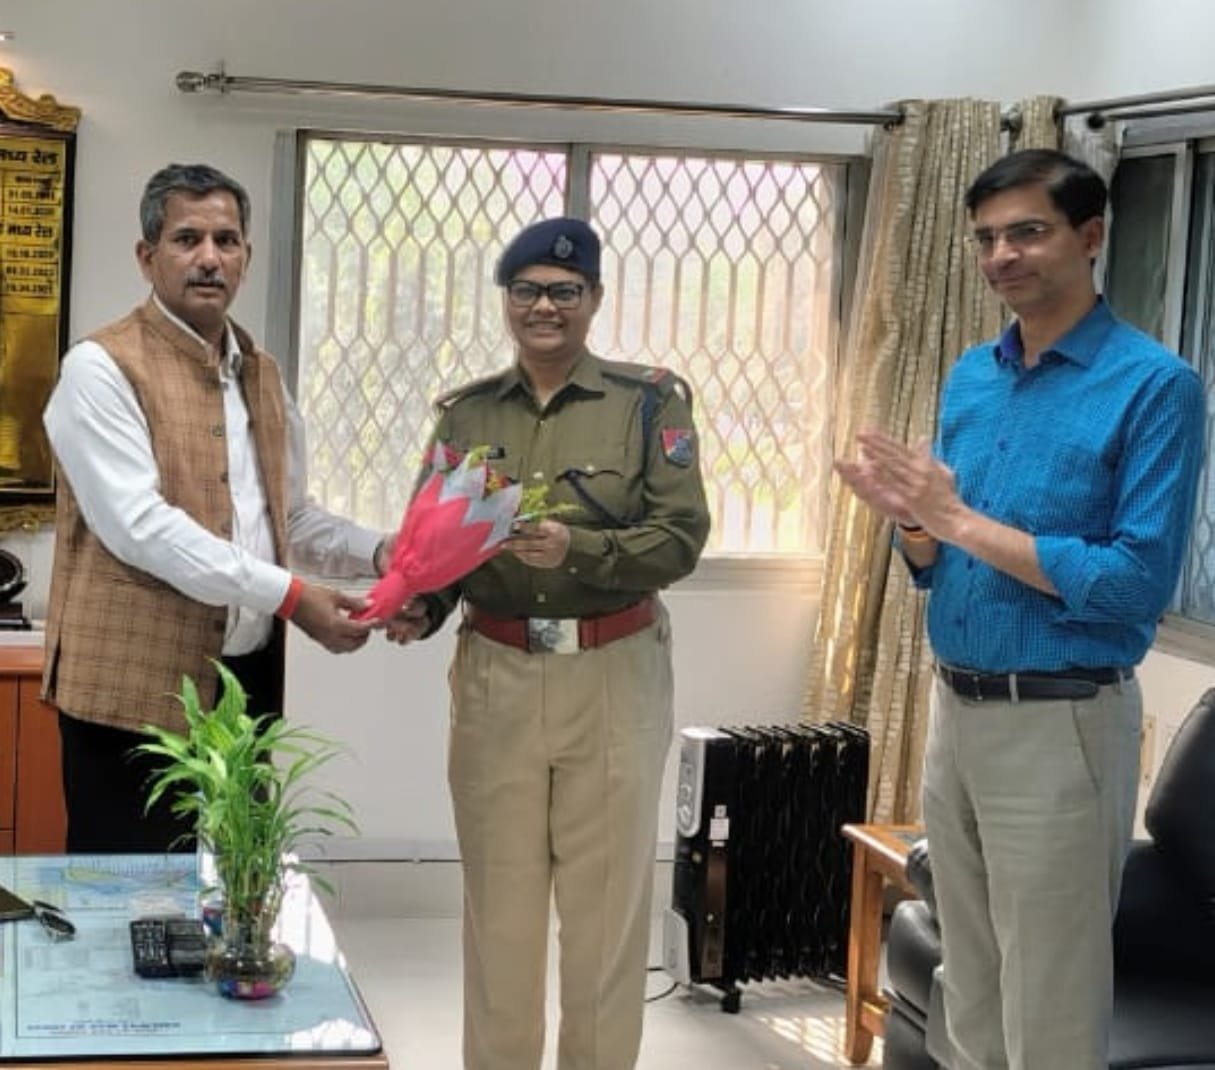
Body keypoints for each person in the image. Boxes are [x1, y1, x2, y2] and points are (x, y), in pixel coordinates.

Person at [837, 148, 1206, 1070]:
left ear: (1090, 236)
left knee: (1046, 996)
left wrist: (956, 519)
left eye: (1027, 232)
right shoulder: (973, 375)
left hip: (1061, 720)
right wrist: (914, 525)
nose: (1002, 255)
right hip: (955, 710)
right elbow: (937, 567)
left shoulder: (1154, 385)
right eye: (986, 238)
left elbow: (1131, 583)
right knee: (967, 981)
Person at [387, 217, 710, 1070]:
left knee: (603, 917)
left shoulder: (648, 403)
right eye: (527, 290)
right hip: (494, 673)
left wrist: (581, 549)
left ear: (594, 298)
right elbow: (435, 544)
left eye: (564, 291)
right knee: (500, 913)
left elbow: (680, 539)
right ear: (505, 300)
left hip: (612, 672)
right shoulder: (467, 413)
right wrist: (420, 607)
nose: (544, 307)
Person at [42, 163, 389, 854]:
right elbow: (141, 529)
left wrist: (384, 553)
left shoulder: (261, 373)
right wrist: (293, 597)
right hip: (131, 697)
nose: (209, 258)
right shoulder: (100, 367)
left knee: (238, 887)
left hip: (244, 690)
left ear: (246, 257)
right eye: (187, 239)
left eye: (226, 241)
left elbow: (287, 520)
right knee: (133, 899)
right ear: (147, 257)